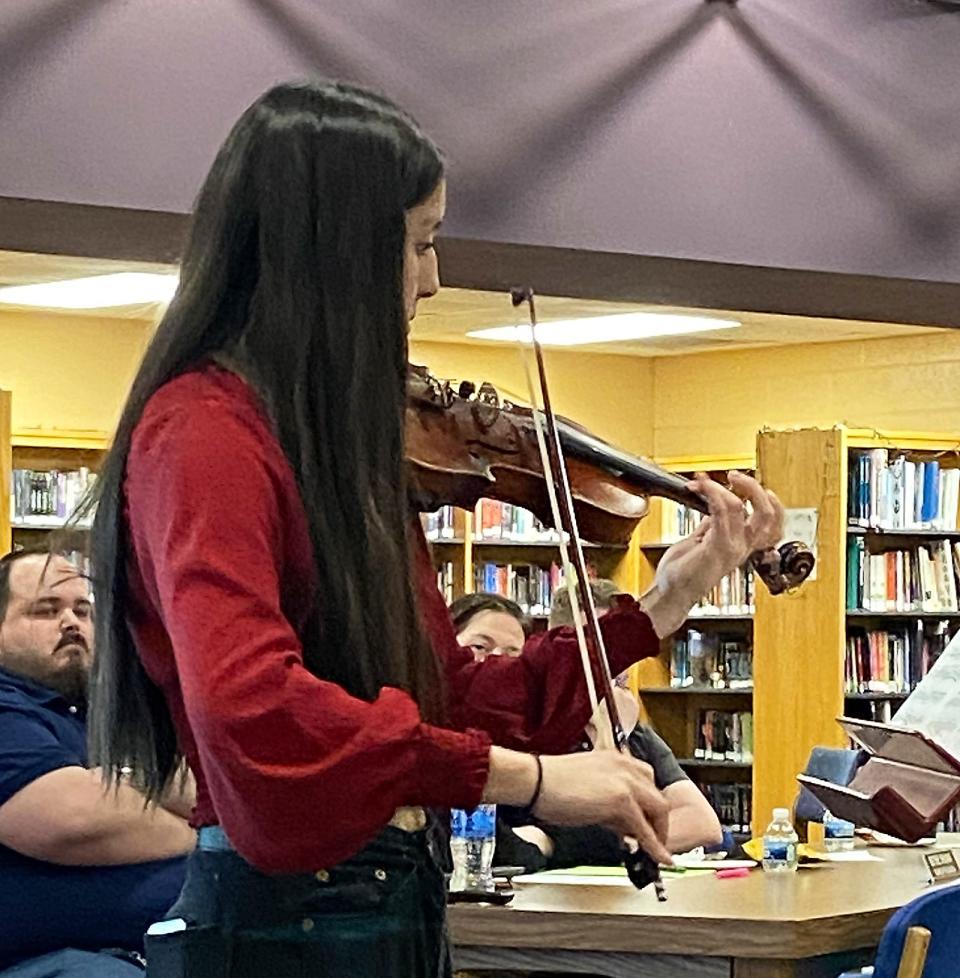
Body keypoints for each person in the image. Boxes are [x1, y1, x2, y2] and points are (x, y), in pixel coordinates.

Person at [85, 79, 784, 977]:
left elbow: (449, 691)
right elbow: (251, 705)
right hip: (290, 921)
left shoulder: (346, 446)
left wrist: (663, 600)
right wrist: (528, 781)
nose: (432, 278)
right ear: (333, 253)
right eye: (418, 243)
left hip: (385, 895)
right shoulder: (206, 433)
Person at [0, 550, 192, 977]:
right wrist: (206, 844)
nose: (72, 623)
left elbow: (200, 788)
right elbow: (72, 820)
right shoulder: (6, 706)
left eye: (83, 611)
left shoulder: (109, 712)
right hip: (56, 960)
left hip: (165, 948)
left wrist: (116, 785)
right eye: (45, 610)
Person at [451, 588, 721, 872]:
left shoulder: (625, 725)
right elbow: (506, 847)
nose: (496, 663)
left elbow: (702, 823)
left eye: (512, 654)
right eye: (479, 647)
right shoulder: (511, 732)